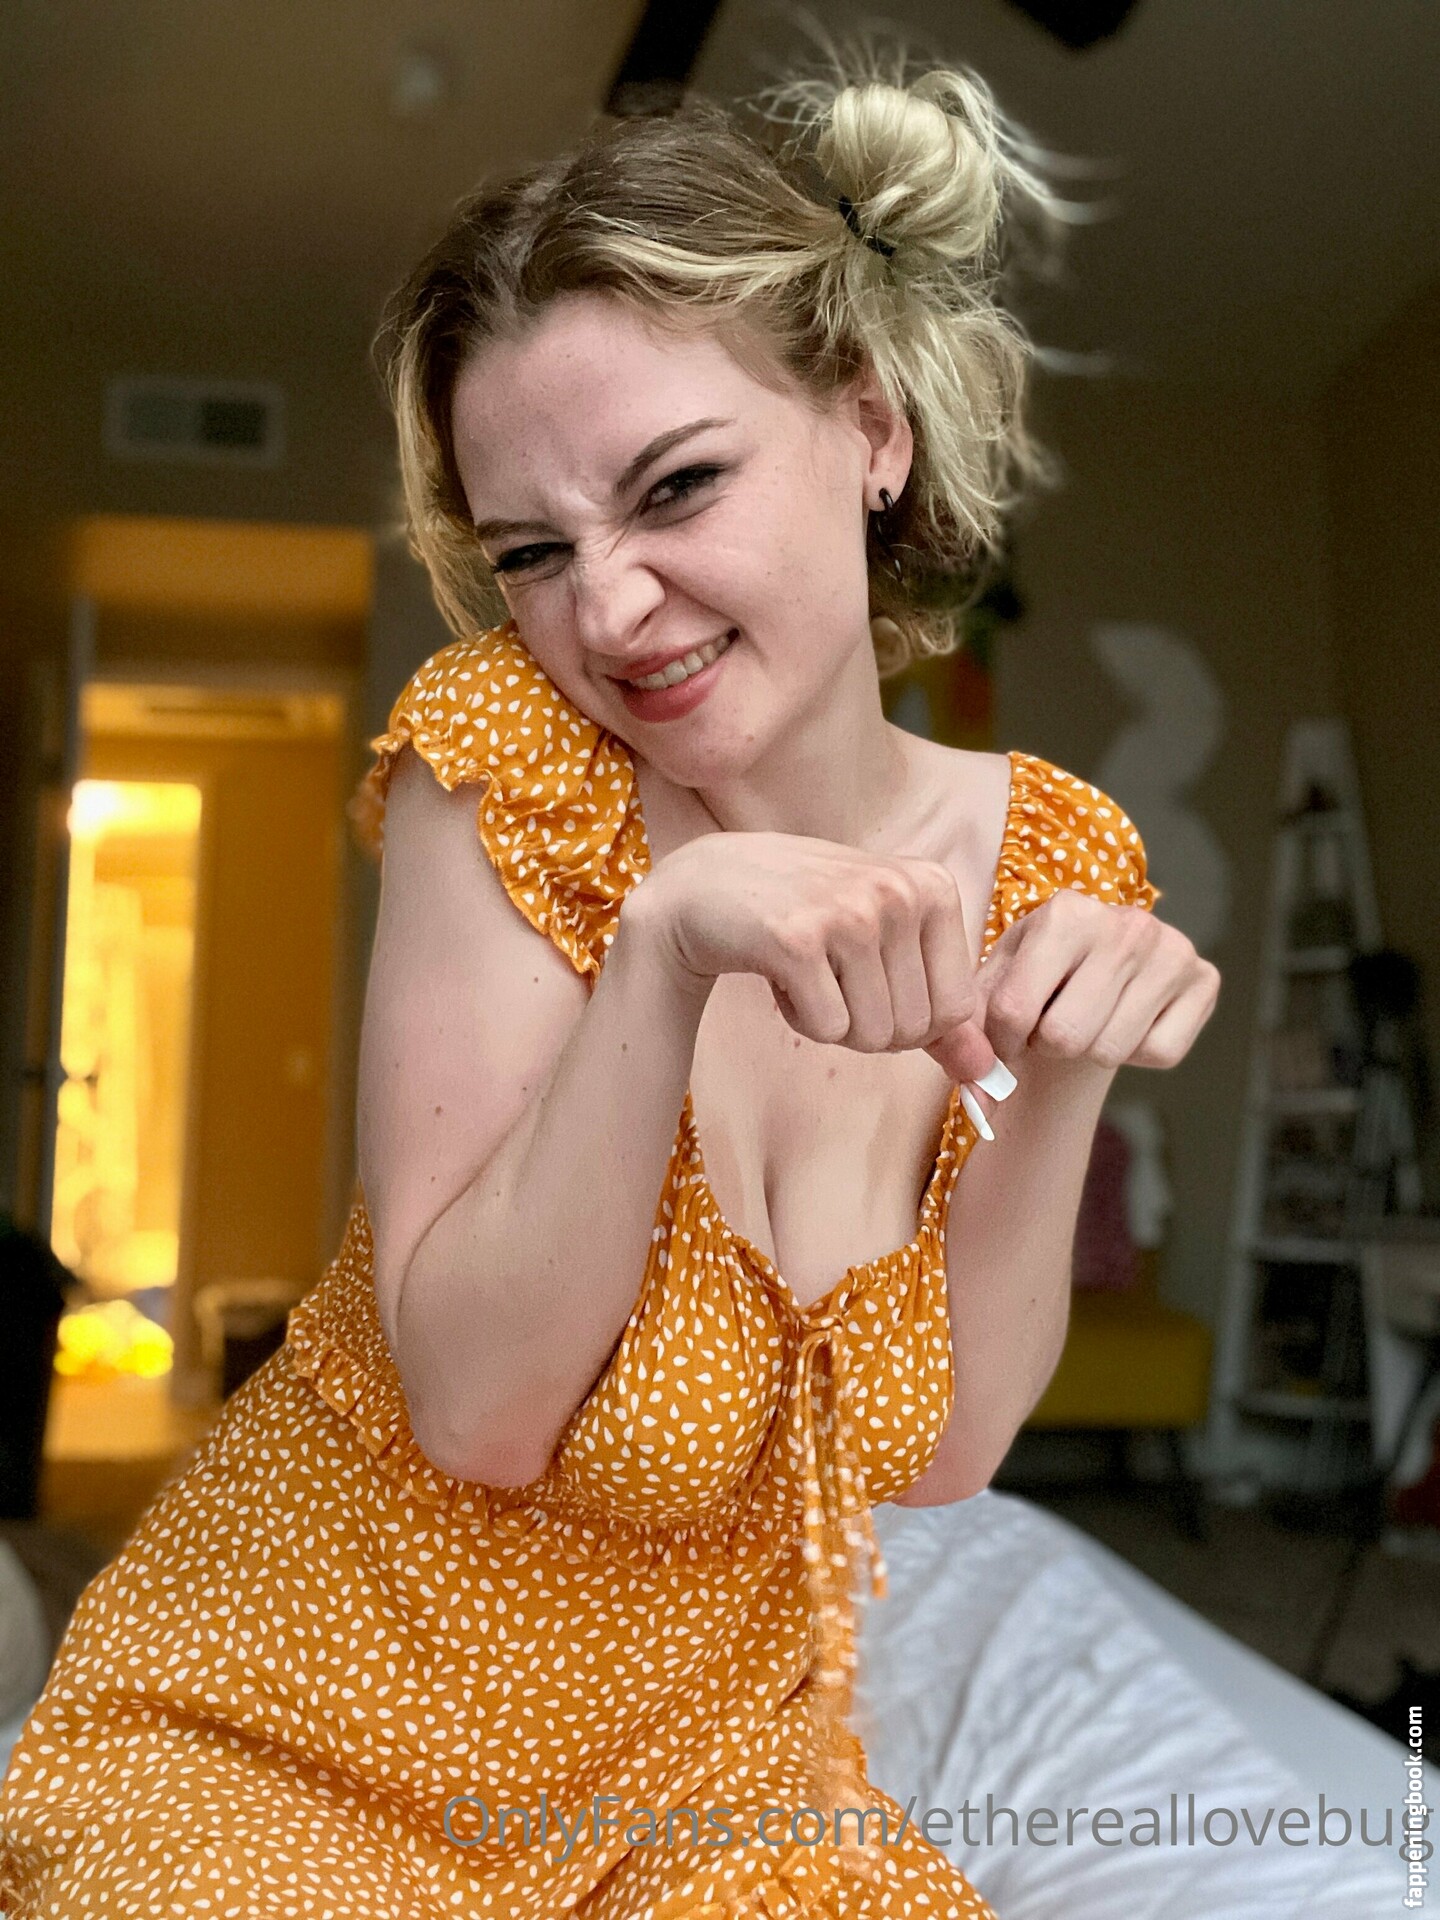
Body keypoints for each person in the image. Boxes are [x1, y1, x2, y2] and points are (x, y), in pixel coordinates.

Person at [0, 50, 1219, 1918]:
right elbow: (479, 1411)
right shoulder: (515, 762)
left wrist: (1054, 1073)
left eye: (679, 487)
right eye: (534, 554)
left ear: (872, 427)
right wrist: (664, 951)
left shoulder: (1055, 856)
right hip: (293, 1739)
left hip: (703, 1798)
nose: (611, 609)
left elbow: (951, 1447)